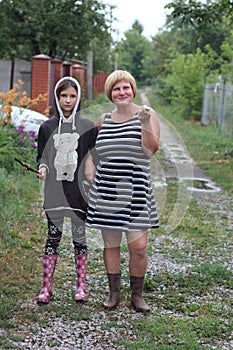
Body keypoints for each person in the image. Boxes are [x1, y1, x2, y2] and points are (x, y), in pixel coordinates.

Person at [85, 70, 160, 312]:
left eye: (126, 87)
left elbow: (150, 151)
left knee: (138, 248)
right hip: (107, 190)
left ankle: (137, 295)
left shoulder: (147, 115)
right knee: (111, 245)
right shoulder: (103, 119)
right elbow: (97, 149)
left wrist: (145, 123)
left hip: (136, 190)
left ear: (133, 90)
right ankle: (114, 293)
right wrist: (89, 164)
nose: (122, 92)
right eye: (116, 89)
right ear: (110, 93)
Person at [36, 76, 97, 304]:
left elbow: (93, 156)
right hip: (54, 193)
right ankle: (46, 287)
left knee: (79, 239)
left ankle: (81, 287)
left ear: (78, 97)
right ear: (57, 97)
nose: (68, 100)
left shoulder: (88, 127)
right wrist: (42, 168)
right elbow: (41, 157)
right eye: (64, 96)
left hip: (79, 194)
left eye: (72, 96)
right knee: (53, 238)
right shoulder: (47, 127)